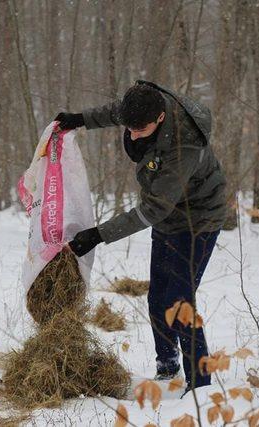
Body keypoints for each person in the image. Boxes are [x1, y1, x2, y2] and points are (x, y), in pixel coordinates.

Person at [58, 81, 226, 392]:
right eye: (129, 128)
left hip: (199, 218)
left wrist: (98, 235)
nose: (132, 135)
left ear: (160, 118)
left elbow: (152, 211)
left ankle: (200, 386)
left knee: (179, 301)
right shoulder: (143, 103)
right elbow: (115, 112)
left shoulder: (184, 146)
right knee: (158, 295)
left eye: (140, 130)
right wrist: (81, 119)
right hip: (168, 212)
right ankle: (167, 365)